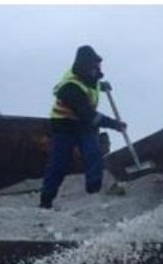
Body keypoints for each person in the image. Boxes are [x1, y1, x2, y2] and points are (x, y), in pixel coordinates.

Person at [39, 45, 127, 209]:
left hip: (83, 122)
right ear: (85, 67)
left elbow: (90, 84)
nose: (97, 70)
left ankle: (93, 193)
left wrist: (101, 85)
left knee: (93, 155)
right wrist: (115, 125)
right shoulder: (70, 88)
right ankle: (46, 201)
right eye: (94, 68)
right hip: (64, 124)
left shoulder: (88, 75)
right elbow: (89, 115)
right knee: (59, 163)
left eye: (98, 67)